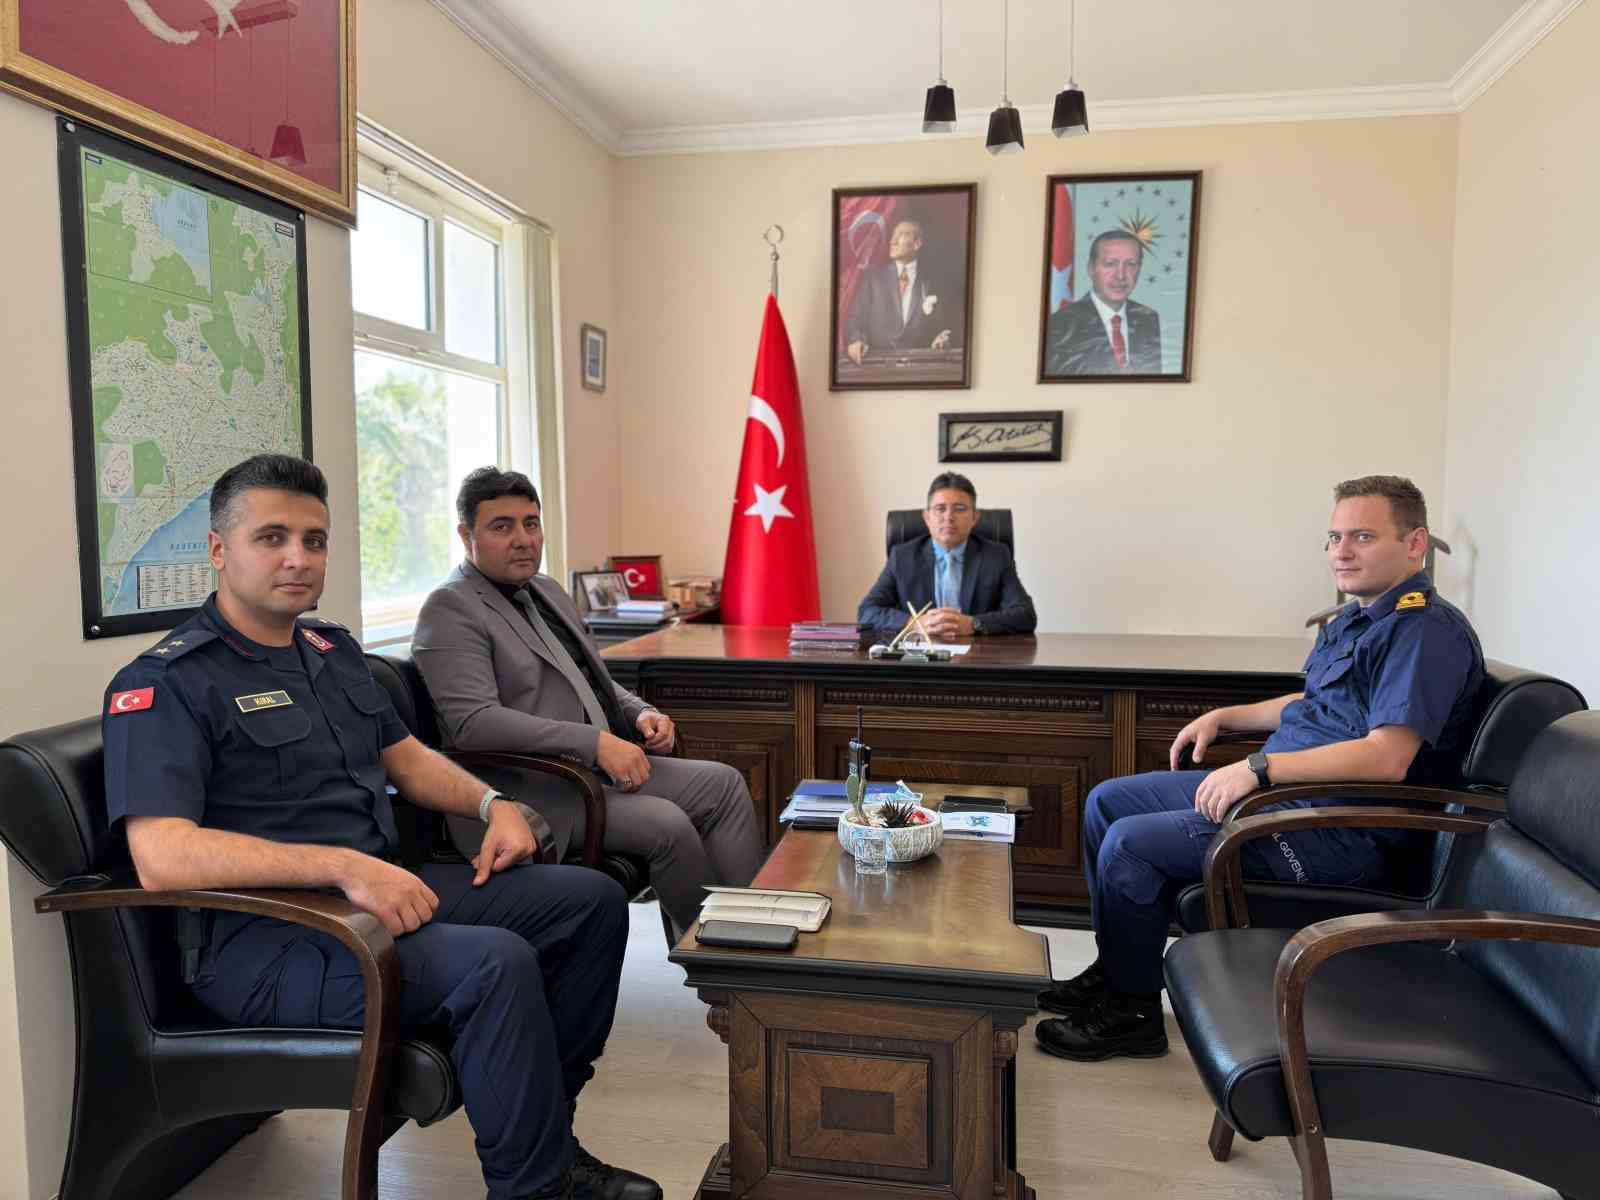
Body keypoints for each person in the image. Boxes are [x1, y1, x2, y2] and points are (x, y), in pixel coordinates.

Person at [101, 454, 660, 1200]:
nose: (298, 558)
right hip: (268, 941)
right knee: (495, 963)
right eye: (271, 538)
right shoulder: (166, 683)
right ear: (217, 550)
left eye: (315, 539)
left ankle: (550, 1143)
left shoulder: (330, 653)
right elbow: (162, 856)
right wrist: (343, 866)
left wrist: (492, 804)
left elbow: (409, 759)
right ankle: (536, 1189)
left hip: (376, 897)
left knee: (588, 902)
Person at [1034, 475, 1486, 1062]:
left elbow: (1387, 756)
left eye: (1363, 537)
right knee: (1107, 801)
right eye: (1334, 537)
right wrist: (1228, 717)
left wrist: (1260, 767)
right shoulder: (1359, 617)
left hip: (1338, 826)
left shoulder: (1423, 630)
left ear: (1415, 543)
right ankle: (1118, 967)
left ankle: (1131, 1014)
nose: (1341, 552)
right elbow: (1317, 705)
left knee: (1131, 844)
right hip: (1291, 795)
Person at [413, 468, 763, 940]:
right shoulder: (449, 608)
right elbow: (474, 724)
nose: (522, 539)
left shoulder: (546, 590)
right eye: (502, 526)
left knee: (724, 785)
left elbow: (590, 679)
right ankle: (715, 954)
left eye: (531, 523)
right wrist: (594, 742)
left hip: (592, 769)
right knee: (668, 824)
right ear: (465, 535)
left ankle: (754, 934)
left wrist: (640, 712)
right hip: (530, 790)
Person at [857, 471, 1037, 640]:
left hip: (978, 654)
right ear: (927, 518)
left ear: (974, 518)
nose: (949, 517)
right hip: (920, 654)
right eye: (940, 508)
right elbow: (867, 611)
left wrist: (974, 624)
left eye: (959, 509)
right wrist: (915, 623)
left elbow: (1025, 615)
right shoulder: (902, 557)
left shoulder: (995, 556)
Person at [845, 217, 964, 364]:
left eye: (901, 234)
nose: (892, 241)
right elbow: (855, 319)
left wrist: (942, 339)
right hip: (878, 365)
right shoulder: (873, 278)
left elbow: (946, 326)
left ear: (917, 244)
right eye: (893, 235)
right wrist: (856, 340)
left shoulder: (935, 281)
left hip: (920, 366)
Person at [1044, 230, 1163, 375]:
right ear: (1091, 269)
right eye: (1110, 264)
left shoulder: (1148, 318)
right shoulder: (1060, 325)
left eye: (1131, 264)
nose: (1120, 275)